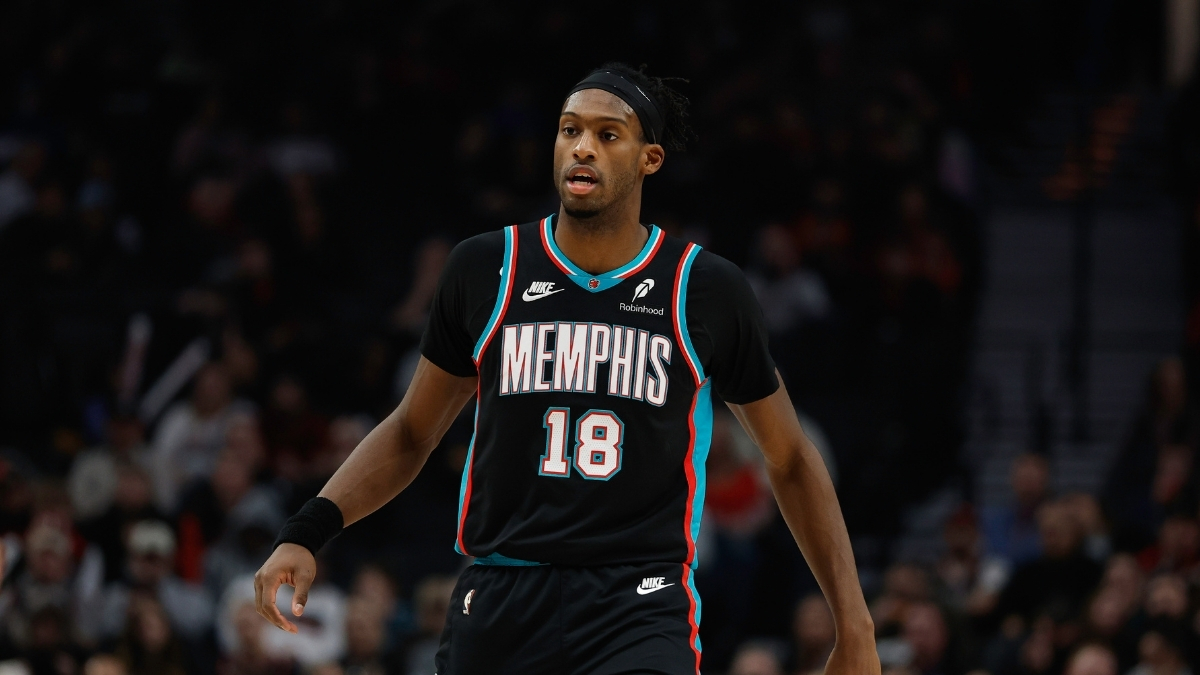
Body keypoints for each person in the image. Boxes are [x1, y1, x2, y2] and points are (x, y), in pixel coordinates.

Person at [254, 62, 879, 675]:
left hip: (638, 603)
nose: (583, 147)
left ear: (649, 159)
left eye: (608, 135)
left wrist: (854, 624)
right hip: (500, 597)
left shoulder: (704, 288)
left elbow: (790, 457)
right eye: (569, 129)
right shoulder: (484, 268)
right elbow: (413, 431)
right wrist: (306, 531)